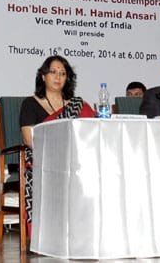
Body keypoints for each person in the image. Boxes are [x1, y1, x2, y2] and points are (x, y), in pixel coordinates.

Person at [19, 55, 95, 235]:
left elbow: (89, 135)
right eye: (53, 72)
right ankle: (47, 234)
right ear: (43, 76)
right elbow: (29, 139)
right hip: (42, 159)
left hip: (74, 159)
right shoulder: (30, 103)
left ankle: (86, 232)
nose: (58, 77)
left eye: (62, 73)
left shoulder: (77, 105)